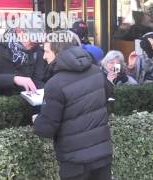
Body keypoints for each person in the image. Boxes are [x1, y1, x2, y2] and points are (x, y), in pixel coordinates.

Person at [33, 31, 113, 180]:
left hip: (74, 162)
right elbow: (108, 97)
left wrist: (36, 120)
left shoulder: (55, 84)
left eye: (46, 51)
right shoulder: (97, 72)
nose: (44, 56)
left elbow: (46, 129)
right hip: (102, 155)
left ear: (58, 52)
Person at [0, 27, 46, 96]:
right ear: (19, 31)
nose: (34, 45)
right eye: (32, 42)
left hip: (28, 100)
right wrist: (13, 79)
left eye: (38, 42)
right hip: (0, 101)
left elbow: (38, 79)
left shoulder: (36, 49)